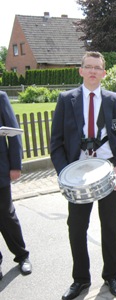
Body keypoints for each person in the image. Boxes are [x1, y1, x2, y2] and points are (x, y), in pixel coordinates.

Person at [50, 51, 116, 300]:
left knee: (110, 226)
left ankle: (111, 276)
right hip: (76, 175)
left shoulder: (115, 99)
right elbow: (55, 143)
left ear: (104, 72)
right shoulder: (66, 99)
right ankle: (80, 279)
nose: (93, 72)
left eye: (97, 68)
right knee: (76, 228)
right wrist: (64, 173)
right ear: (80, 70)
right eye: (88, 67)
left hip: (109, 171)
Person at [0, 91, 32, 280]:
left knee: (6, 215)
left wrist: (15, 165)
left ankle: (22, 256)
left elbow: (13, 133)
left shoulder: (1, 97)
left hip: (0, 169)